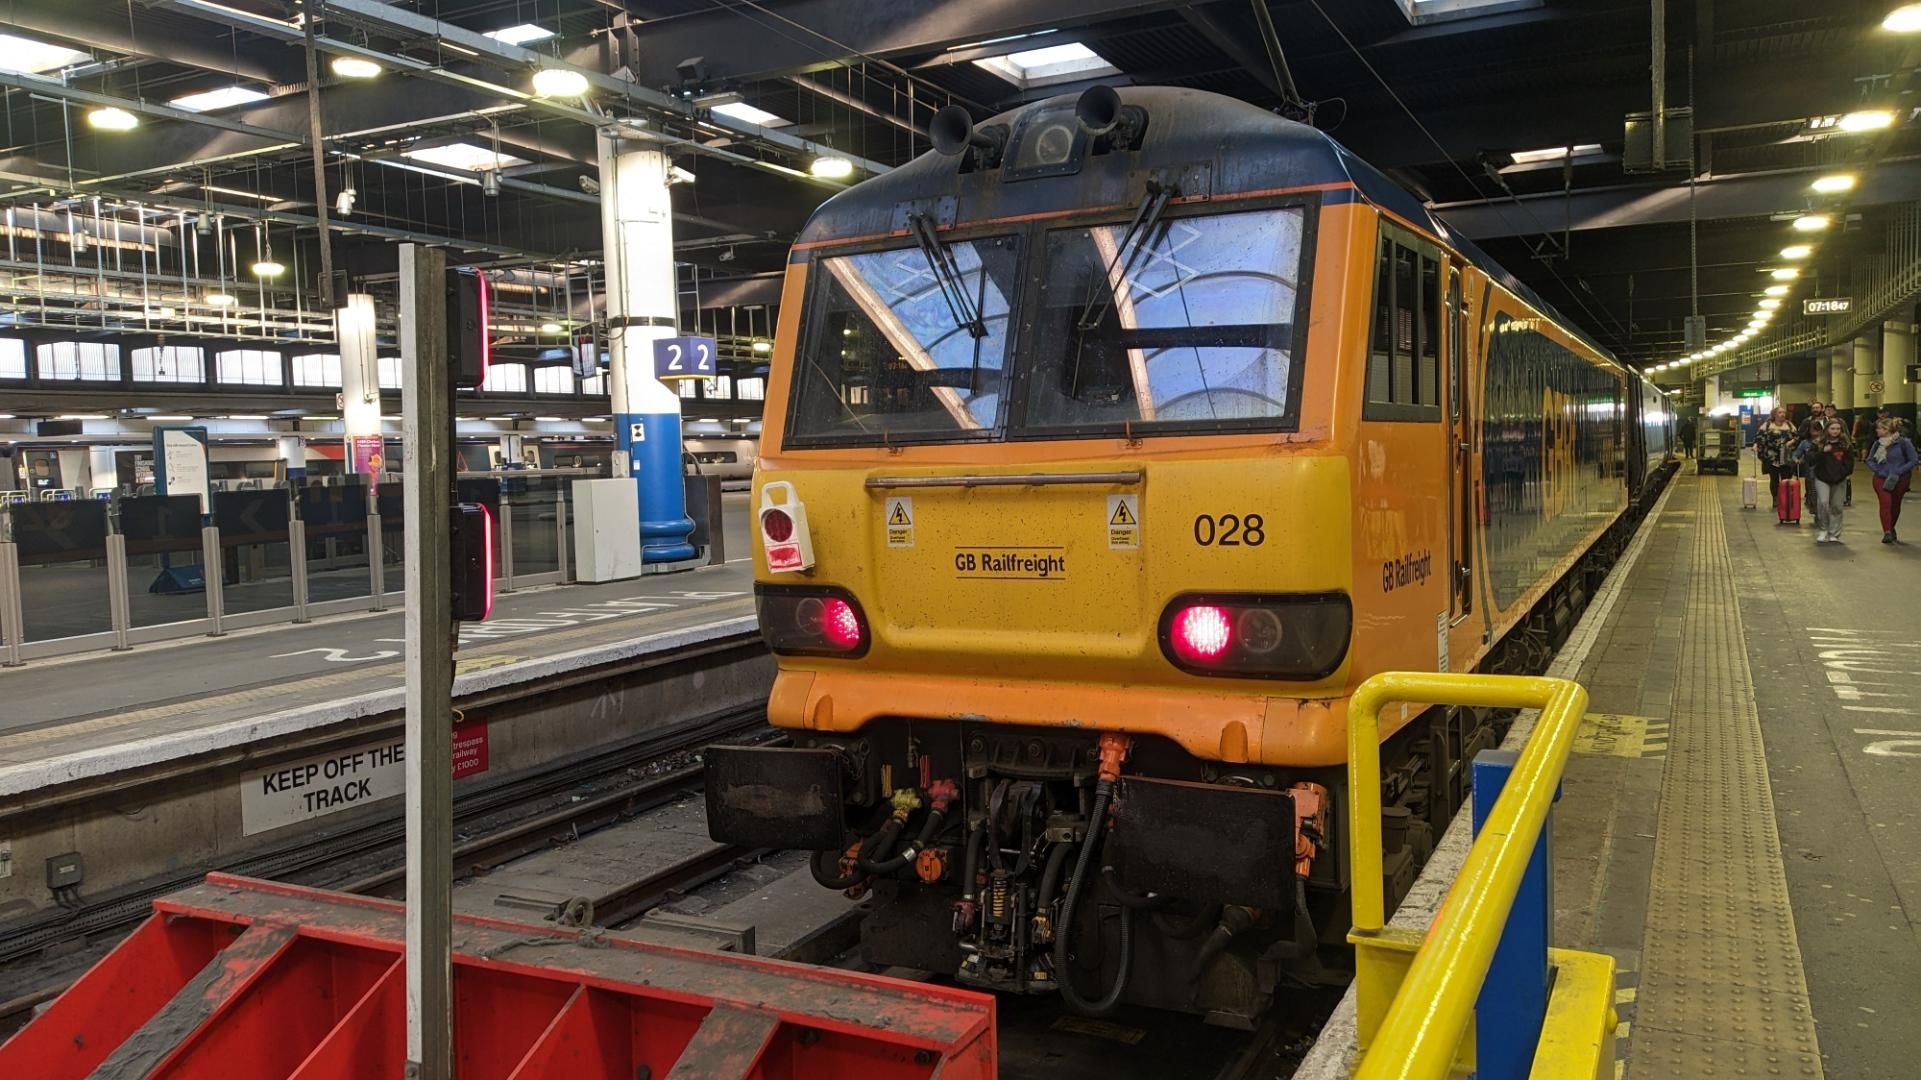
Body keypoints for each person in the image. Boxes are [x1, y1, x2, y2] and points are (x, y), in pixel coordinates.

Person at [1867, 417, 1918, 543]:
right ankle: (1887, 532)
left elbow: (1913, 460)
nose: (1876, 431)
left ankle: (1891, 526)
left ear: (1887, 429)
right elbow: (1870, 460)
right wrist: (1878, 470)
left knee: (1895, 505)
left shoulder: (1903, 443)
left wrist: (1899, 471)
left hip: (1900, 479)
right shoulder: (1877, 444)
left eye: (1879, 428)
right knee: (1886, 503)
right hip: (1881, 478)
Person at [1809, 419, 1854, 543]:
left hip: (1839, 479)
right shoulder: (1818, 443)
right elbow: (1810, 459)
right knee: (1823, 503)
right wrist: (1822, 452)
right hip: (1822, 478)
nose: (1835, 431)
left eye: (1838, 429)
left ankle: (1834, 533)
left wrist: (1843, 473)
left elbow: (1850, 462)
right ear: (1827, 429)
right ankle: (1823, 529)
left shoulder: (1846, 444)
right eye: (1832, 428)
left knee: (1837, 506)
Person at [1754, 407, 1797, 511]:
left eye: (1783, 412)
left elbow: (1797, 437)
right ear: (1774, 414)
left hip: (1786, 456)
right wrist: (1756, 445)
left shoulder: (1790, 426)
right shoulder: (1767, 425)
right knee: (1774, 478)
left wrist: (1792, 442)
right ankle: (1776, 498)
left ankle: (1785, 498)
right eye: (1780, 412)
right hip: (1772, 457)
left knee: (1786, 478)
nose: (1782, 414)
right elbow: (1759, 437)